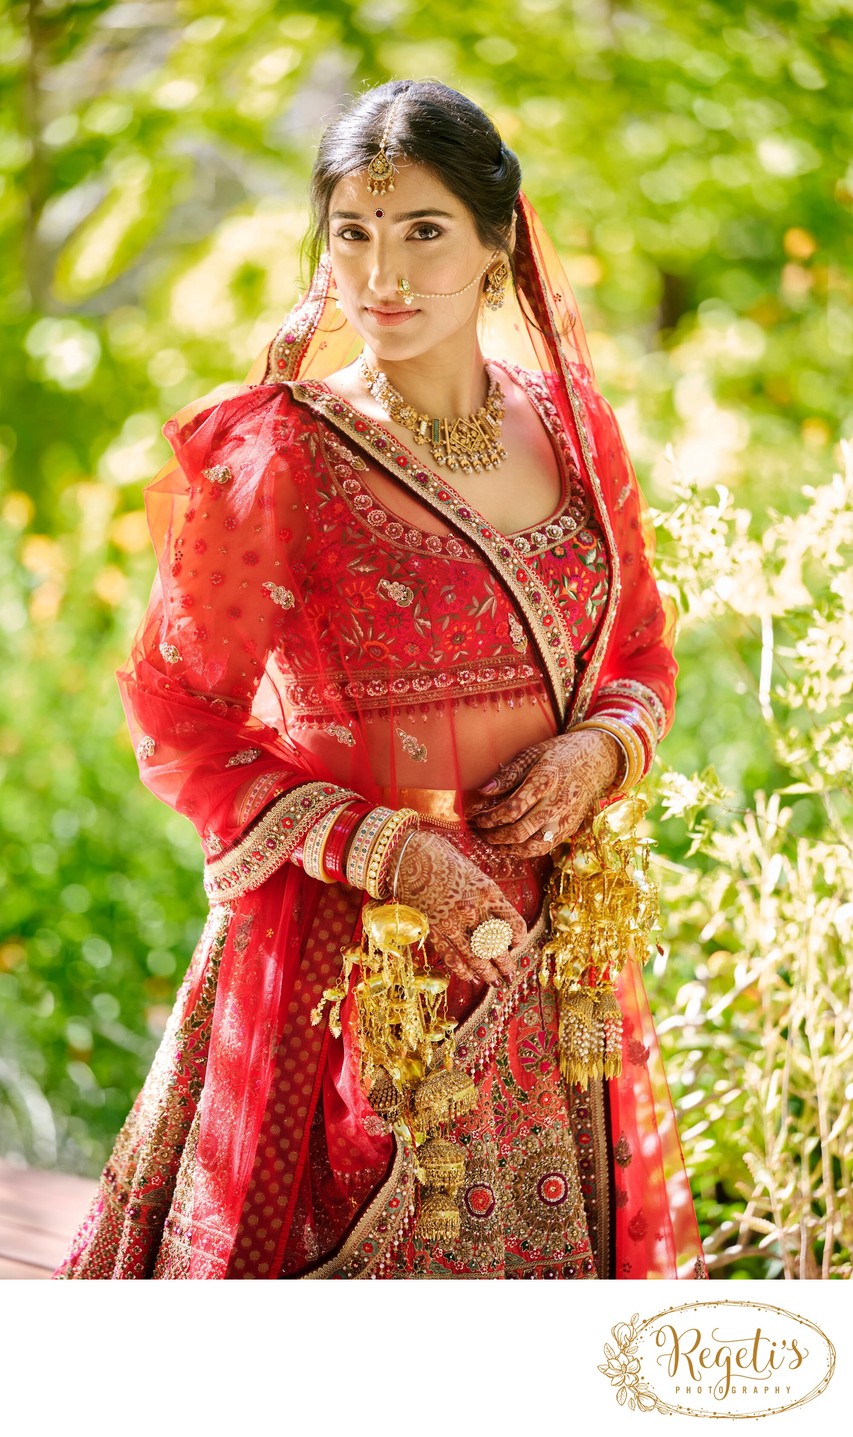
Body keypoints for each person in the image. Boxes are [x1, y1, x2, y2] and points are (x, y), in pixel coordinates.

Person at [55, 79, 707, 1281]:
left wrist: (598, 752)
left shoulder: (572, 430)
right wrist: (390, 851)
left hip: (545, 958)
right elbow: (181, 721)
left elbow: (640, 656)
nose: (383, 275)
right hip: (350, 962)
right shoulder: (280, 454)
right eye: (353, 234)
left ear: (496, 246)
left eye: (422, 233)